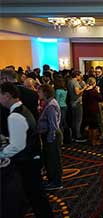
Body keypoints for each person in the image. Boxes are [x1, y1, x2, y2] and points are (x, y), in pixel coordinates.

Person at [0, 82, 54, 218]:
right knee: (36, 196)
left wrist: (2, 153)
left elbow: (17, 146)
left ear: (7, 96)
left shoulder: (15, 116)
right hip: (33, 158)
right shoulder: (23, 109)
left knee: (34, 196)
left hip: (27, 162)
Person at [37, 84, 63, 190]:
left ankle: (56, 182)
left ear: (45, 92)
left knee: (53, 159)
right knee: (51, 159)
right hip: (50, 134)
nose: (38, 93)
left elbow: (53, 125)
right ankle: (53, 180)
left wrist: (50, 139)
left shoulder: (51, 105)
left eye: (39, 91)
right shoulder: (48, 103)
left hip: (51, 135)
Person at [67, 71, 88, 142]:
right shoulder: (75, 82)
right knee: (78, 120)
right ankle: (78, 136)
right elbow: (77, 92)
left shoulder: (69, 81)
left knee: (74, 120)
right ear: (77, 75)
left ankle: (73, 135)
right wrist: (84, 88)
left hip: (72, 102)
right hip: (77, 102)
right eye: (80, 75)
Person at [82, 77, 103, 146]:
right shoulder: (93, 91)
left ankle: (90, 139)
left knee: (90, 126)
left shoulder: (85, 91)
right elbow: (100, 98)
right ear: (94, 83)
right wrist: (98, 91)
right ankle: (94, 141)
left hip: (87, 110)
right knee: (95, 126)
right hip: (94, 110)